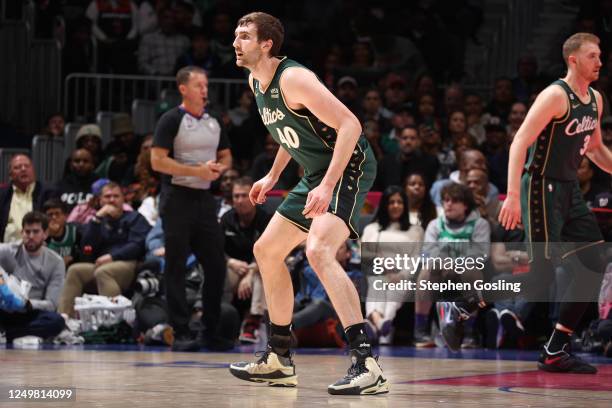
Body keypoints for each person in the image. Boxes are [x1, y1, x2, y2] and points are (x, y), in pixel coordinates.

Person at [228, 12, 388, 395]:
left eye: (245, 36)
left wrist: (328, 184)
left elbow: (351, 125)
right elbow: (290, 132)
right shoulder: (255, 79)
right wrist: (272, 175)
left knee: (318, 251)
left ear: (267, 44)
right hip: (316, 174)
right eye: (236, 34)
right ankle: (279, 359)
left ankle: (367, 364)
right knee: (266, 250)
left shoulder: (293, 78)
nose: (236, 41)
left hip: (348, 167)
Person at [437, 32, 612, 374]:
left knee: (593, 263)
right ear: (573, 59)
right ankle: (462, 305)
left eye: (601, 56)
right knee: (539, 277)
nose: (600, 62)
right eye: (593, 56)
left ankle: (555, 349)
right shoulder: (554, 95)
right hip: (539, 186)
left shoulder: (595, 99)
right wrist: (513, 195)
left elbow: (595, 149)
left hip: (569, 188)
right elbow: (519, 141)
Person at [150, 65, 232, 352]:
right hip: (177, 199)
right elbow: (157, 161)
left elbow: (226, 155)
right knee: (175, 267)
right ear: (183, 89)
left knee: (216, 266)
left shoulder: (213, 121)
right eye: (199, 85)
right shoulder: (171, 120)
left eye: (206, 85)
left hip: (205, 200)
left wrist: (219, 168)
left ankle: (209, 330)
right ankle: (181, 331)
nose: (204, 90)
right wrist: (195, 171)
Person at [58, 182, 151, 317]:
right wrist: (96, 219)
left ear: (123, 199)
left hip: (127, 263)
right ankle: (65, 319)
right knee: (75, 270)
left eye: (116, 196)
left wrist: (112, 256)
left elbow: (137, 245)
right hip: (100, 264)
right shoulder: (98, 221)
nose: (112, 200)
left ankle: (113, 321)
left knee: (103, 272)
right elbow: (86, 248)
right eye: (107, 197)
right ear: (100, 200)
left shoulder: (134, 218)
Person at [361, 186, 423, 345]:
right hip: (377, 273)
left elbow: (415, 258)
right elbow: (364, 256)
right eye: (391, 202)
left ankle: (374, 324)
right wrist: (380, 265)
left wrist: (401, 275)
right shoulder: (372, 229)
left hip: (403, 275)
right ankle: (382, 324)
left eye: (399, 202)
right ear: (384, 205)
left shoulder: (415, 230)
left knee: (395, 290)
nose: (395, 205)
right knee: (378, 283)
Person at [0, 212, 65, 343]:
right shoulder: (8, 251)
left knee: (56, 321)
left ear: (45, 234)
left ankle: (8, 334)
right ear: (21, 232)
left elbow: (52, 304)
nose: (30, 236)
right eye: (27, 232)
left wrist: (29, 304)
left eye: (36, 232)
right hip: (4, 308)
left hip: (31, 312)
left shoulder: (56, 262)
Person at [0, 154, 55, 243]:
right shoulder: (2, 195)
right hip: (7, 249)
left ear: (33, 170)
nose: (23, 169)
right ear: (10, 175)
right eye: (17, 167)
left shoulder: (48, 193)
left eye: (27, 166)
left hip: (39, 248)